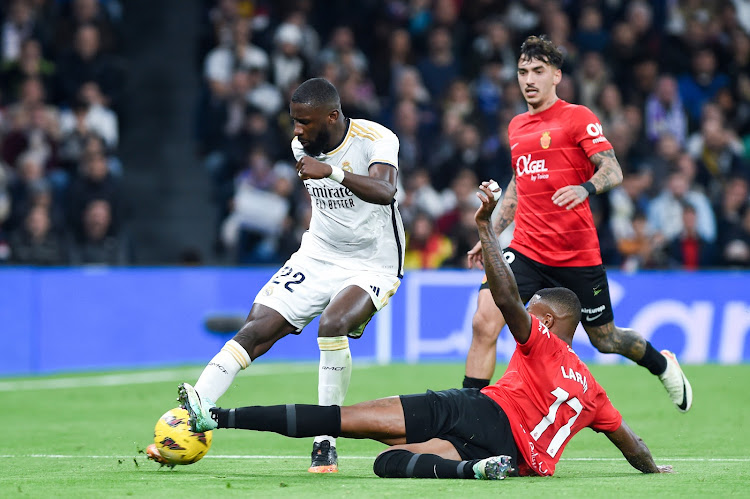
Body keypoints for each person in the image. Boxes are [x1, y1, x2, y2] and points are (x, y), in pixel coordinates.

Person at [171, 181, 673, 480]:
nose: (527, 303)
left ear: (545, 320)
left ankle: (217, 415)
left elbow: (504, 297)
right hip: (514, 456)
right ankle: (470, 473)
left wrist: (484, 229)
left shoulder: (540, 339)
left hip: (478, 409)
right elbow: (635, 448)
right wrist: (655, 472)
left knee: (341, 417)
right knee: (389, 462)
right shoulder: (594, 393)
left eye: (533, 303)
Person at [177, 77, 405, 474]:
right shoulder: (303, 145)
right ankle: (193, 410)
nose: (297, 131)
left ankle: (325, 441)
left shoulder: (377, 138)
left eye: (304, 121)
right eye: (294, 121)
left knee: (332, 324)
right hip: (318, 252)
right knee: (257, 326)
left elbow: (386, 192)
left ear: (332, 116)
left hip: (374, 260)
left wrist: (331, 172)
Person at [461, 36, 693, 415]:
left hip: (576, 254)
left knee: (606, 340)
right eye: (522, 72)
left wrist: (585, 188)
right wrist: (489, 234)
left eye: (538, 71)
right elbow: (519, 185)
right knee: (484, 321)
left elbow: (613, 168)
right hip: (526, 249)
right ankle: (467, 415)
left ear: (557, 75)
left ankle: (661, 363)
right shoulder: (517, 126)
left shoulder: (577, 118)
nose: (529, 80)